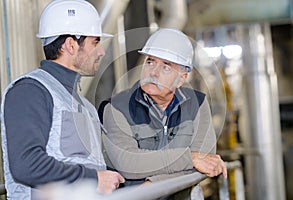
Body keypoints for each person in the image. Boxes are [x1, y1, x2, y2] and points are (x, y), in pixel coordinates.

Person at [0, 0, 124, 199]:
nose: (101, 51)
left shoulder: (84, 106)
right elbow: (26, 163)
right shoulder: (30, 91)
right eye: (95, 42)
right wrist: (92, 180)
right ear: (71, 45)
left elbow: (97, 168)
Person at [98, 28, 227, 198]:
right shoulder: (116, 108)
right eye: (150, 62)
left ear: (182, 77)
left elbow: (206, 162)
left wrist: (154, 184)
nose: (153, 72)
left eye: (166, 67)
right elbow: (128, 163)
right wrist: (190, 159)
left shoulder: (198, 104)